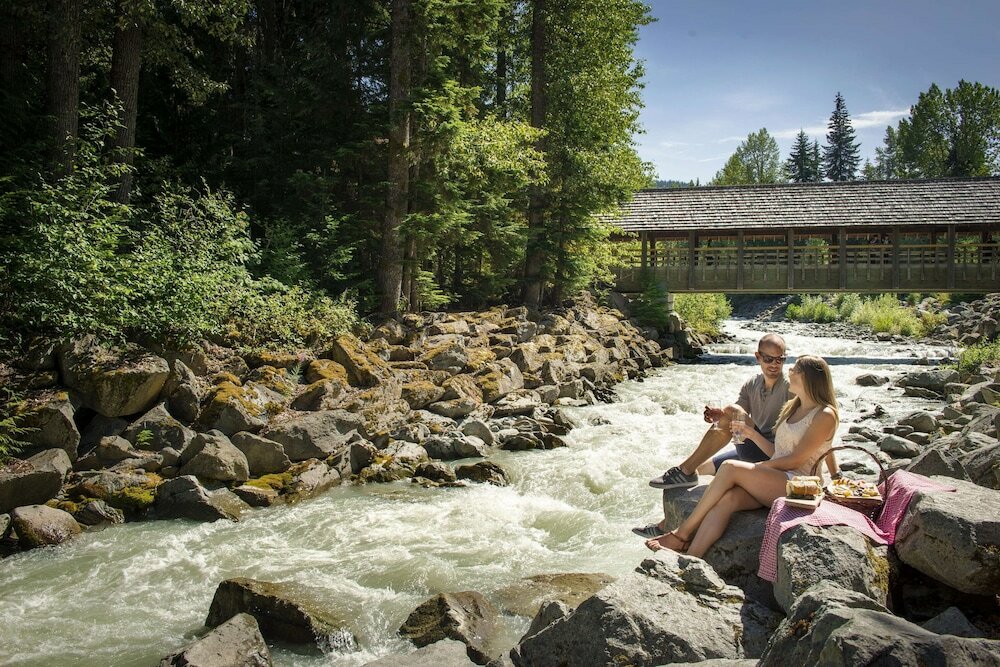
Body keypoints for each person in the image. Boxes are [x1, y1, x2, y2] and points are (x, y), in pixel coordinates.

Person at [643, 355, 839, 556]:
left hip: (799, 485)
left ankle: (681, 534)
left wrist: (758, 467)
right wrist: (751, 433)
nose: (789, 372)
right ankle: (692, 557)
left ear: (807, 377)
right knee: (727, 500)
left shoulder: (824, 414)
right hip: (778, 479)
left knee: (729, 467)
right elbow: (779, 453)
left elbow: (796, 460)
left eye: (794, 370)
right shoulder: (794, 407)